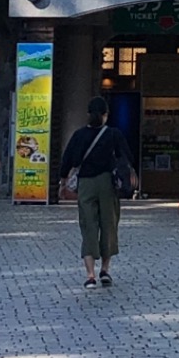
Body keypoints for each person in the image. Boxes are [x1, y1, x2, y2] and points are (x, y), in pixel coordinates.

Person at [59, 95, 133, 288]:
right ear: (106, 115)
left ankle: (90, 274)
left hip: (85, 184)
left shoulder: (79, 135)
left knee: (88, 225)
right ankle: (105, 270)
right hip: (107, 183)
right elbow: (127, 157)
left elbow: (68, 160)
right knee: (108, 224)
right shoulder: (113, 134)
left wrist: (63, 180)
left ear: (88, 114)